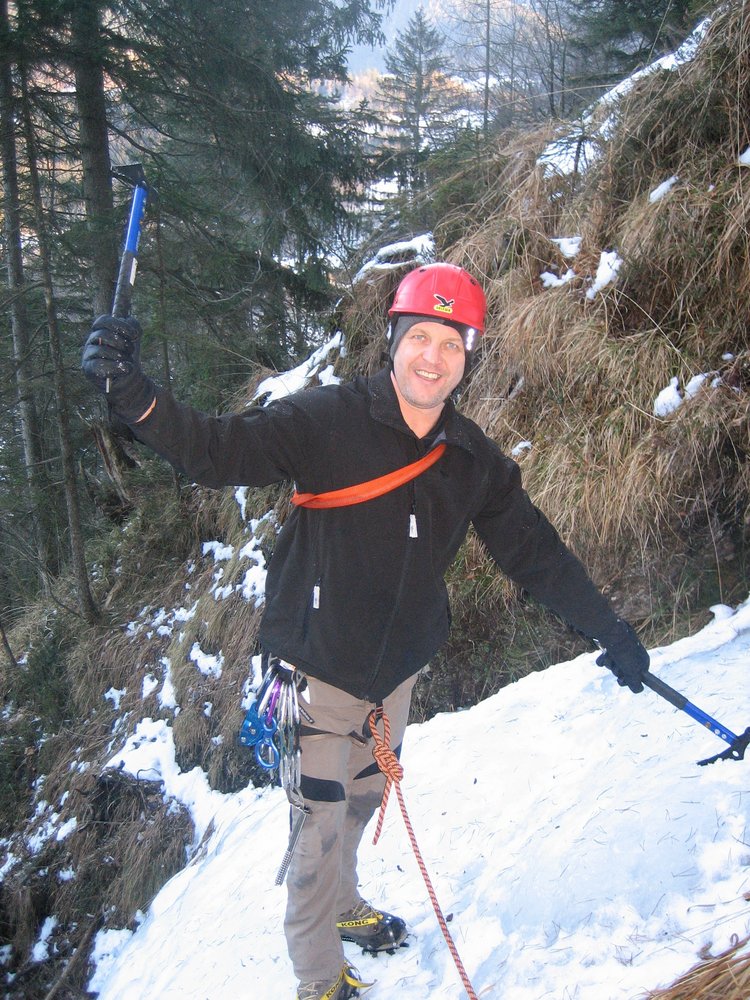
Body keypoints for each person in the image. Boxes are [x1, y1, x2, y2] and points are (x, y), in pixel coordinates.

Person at [82, 262, 650, 1000]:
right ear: (392, 340)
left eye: (451, 344)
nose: (432, 358)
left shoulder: (471, 459)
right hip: (314, 670)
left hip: (395, 673)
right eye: (420, 337)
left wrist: (609, 629)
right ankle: (319, 978)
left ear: (468, 358)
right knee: (316, 831)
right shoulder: (326, 420)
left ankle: (346, 906)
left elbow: (533, 551)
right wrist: (134, 394)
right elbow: (216, 451)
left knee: (360, 798)